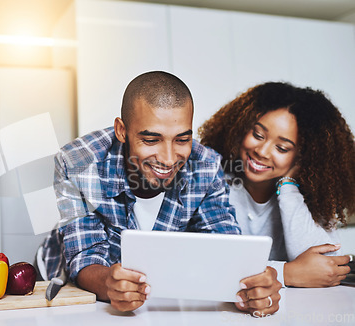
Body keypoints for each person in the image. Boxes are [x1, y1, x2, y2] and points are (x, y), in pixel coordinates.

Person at [38, 71, 281, 315]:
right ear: (122, 131)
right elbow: (85, 256)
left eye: (182, 139)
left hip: (157, 302)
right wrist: (110, 285)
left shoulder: (205, 166)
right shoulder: (78, 162)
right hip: (60, 280)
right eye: (152, 140)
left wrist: (253, 288)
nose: (168, 158)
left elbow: (227, 248)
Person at [198, 82, 355, 288]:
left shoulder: (312, 199)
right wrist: (287, 273)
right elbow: (206, 264)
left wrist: (288, 185)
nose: (262, 151)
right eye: (257, 135)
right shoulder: (212, 183)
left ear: (302, 157)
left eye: (281, 148)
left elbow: (326, 268)